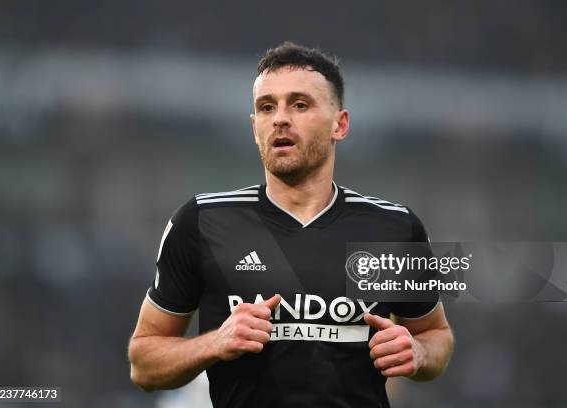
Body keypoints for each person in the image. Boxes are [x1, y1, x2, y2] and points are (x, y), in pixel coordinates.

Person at [128, 42, 454, 407]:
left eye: (300, 104)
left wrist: (418, 352)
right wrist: (214, 343)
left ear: (340, 124)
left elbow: (436, 336)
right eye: (267, 107)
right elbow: (143, 364)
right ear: (255, 128)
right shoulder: (202, 221)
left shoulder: (393, 228)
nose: (280, 118)